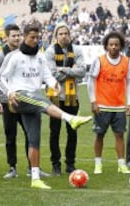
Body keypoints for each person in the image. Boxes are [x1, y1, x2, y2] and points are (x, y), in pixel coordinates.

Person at [0, 24, 92, 189]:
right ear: (25, 37)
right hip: (19, 97)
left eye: (37, 37)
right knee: (42, 102)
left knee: (34, 139)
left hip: (34, 97)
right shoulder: (14, 56)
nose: (35, 40)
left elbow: (47, 75)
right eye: (32, 37)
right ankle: (71, 118)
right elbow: (0, 78)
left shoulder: (40, 57)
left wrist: (54, 83)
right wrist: (9, 92)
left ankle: (35, 178)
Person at [87, 31, 130, 175]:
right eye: (111, 44)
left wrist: (129, 103)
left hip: (119, 106)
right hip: (102, 105)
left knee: (120, 135)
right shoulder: (99, 60)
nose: (113, 47)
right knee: (99, 135)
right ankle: (98, 163)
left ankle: (121, 164)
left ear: (121, 46)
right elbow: (91, 81)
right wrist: (93, 101)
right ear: (106, 46)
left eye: (116, 45)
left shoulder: (126, 61)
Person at [44, 22, 86, 176]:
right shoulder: (49, 51)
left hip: (72, 96)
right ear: (56, 36)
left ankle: (70, 163)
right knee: (54, 132)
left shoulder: (77, 50)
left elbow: (82, 71)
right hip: (55, 97)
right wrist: (71, 70)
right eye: (60, 33)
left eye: (66, 33)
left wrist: (62, 69)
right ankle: (55, 164)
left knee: (72, 131)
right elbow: (51, 74)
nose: (64, 36)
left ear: (70, 34)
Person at [0, 24, 30, 178]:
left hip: (24, 100)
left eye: (18, 35)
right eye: (13, 35)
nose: (17, 38)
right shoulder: (0, 56)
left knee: (30, 133)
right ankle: (12, 167)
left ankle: (32, 167)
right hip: (8, 102)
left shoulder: (25, 53)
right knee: (10, 135)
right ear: (6, 37)